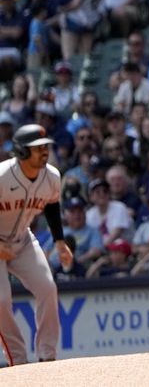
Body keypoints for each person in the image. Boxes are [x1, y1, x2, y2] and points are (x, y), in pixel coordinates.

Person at [0, 124, 73, 366]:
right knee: (0, 301)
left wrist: (60, 242)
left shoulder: (51, 175)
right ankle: (18, 361)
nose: (44, 152)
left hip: (22, 239)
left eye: (45, 147)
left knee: (47, 287)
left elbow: (52, 206)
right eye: (36, 148)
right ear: (21, 152)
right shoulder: (2, 176)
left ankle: (47, 355)